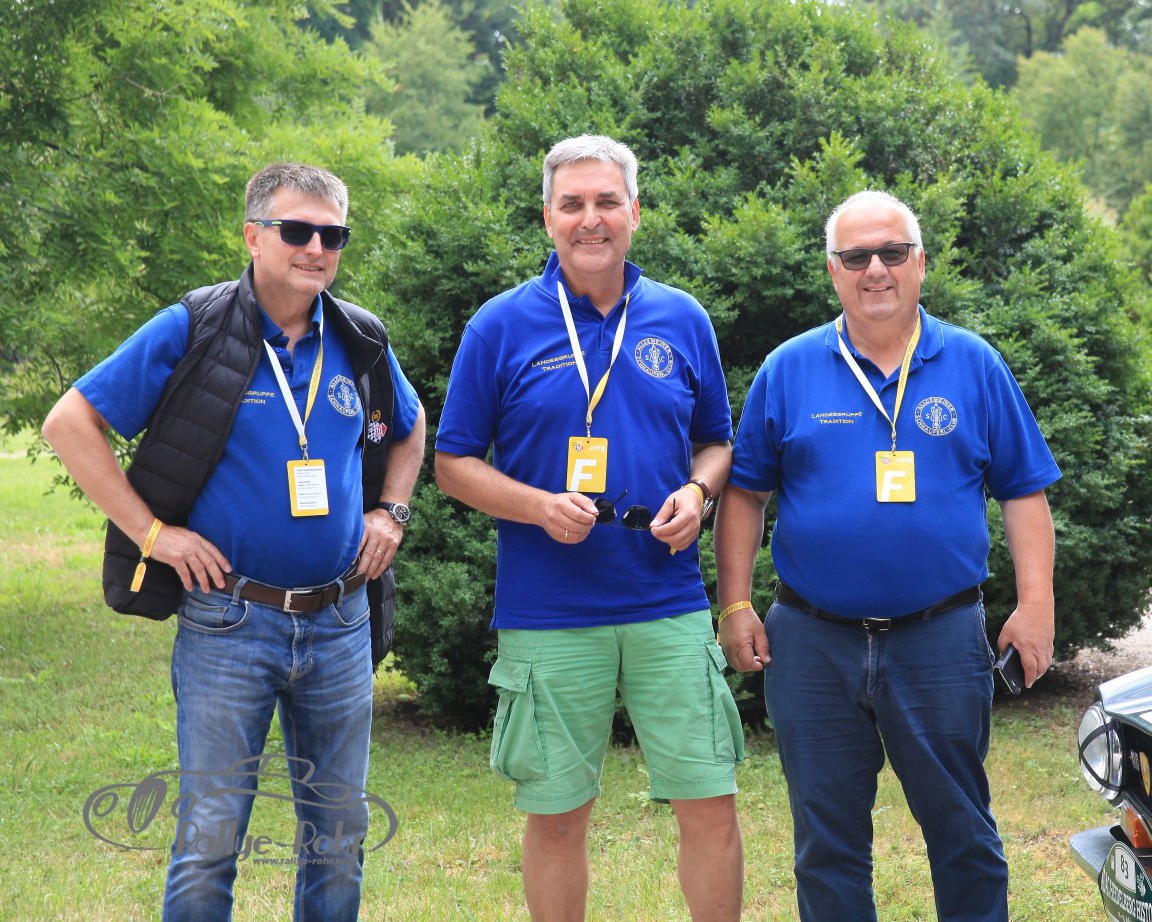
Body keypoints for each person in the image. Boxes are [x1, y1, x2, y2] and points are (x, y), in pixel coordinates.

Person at [42, 162, 425, 921]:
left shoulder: (360, 337)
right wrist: (153, 534)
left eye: (333, 235)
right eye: (297, 230)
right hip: (229, 620)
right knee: (211, 838)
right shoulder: (194, 324)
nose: (316, 248)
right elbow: (69, 423)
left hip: (340, 620)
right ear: (253, 236)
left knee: (339, 838)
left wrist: (392, 513)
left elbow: (410, 432)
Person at [713, 189, 1061, 921]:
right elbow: (745, 494)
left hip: (939, 637)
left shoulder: (974, 364)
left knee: (963, 832)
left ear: (921, 263)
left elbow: (1023, 492)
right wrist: (736, 602)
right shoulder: (789, 368)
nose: (876, 269)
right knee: (826, 844)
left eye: (892, 252)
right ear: (832, 271)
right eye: (856, 256)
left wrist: (1036, 605)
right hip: (813, 642)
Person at [433, 134, 743, 922]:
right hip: (549, 611)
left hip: (667, 601)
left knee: (710, 802)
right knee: (559, 814)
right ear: (548, 218)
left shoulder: (682, 317)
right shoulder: (499, 325)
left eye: (607, 201)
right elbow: (452, 462)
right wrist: (537, 505)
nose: (590, 218)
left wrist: (699, 493)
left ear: (635, 211)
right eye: (572, 203)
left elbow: (718, 442)